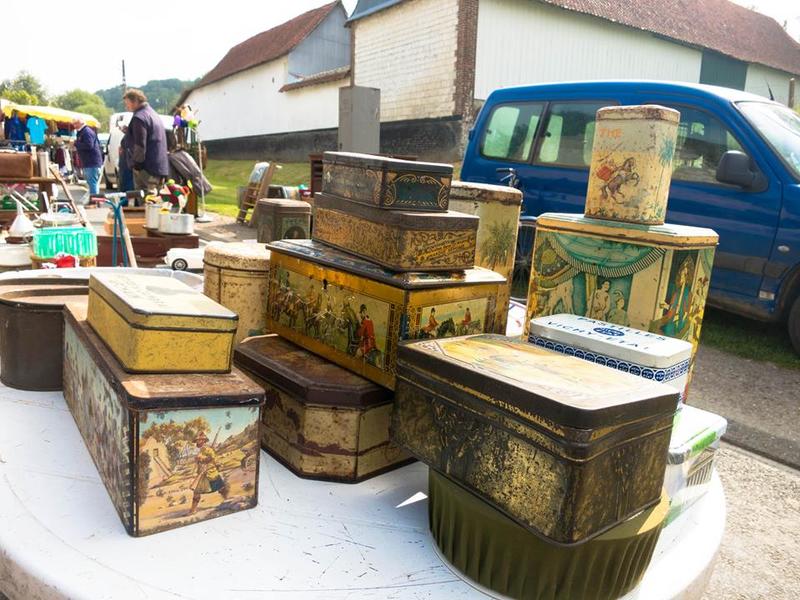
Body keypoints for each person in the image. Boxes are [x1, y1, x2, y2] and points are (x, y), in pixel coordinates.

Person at [123, 88, 169, 195]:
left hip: (146, 168)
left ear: (135, 101)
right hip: (159, 166)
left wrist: (137, 165)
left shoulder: (139, 117)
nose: (126, 106)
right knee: (156, 202)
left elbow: (140, 144)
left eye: (127, 103)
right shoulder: (153, 114)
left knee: (146, 202)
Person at [189, 431, 228, 515]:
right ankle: (192, 510)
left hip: (210, 473)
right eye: (196, 441)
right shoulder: (201, 450)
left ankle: (228, 501)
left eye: (198, 440)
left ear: (203, 440)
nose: (197, 442)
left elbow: (212, 459)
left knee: (221, 488)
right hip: (202, 474)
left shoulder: (208, 449)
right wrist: (198, 459)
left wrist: (201, 458)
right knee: (196, 492)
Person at [73, 118, 104, 198]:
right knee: (92, 183)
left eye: (75, 123)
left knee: (92, 183)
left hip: (92, 162)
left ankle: (94, 202)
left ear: (81, 123)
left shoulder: (86, 132)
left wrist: (76, 144)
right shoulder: (82, 132)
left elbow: (88, 145)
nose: (74, 125)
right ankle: (95, 201)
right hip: (89, 162)